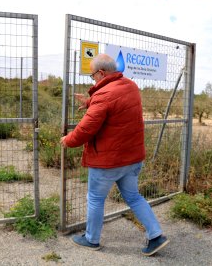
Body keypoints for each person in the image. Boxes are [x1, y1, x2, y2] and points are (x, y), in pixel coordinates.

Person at [60, 53, 169, 256]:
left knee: (95, 198)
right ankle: (156, 236)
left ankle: (91, 239)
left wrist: (68, 140)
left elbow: (85, 129)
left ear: (101, 73)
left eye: (92, 76)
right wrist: (91, 102)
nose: (92, 80)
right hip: (132, 158)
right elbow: (115, 103)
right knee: (134, 197)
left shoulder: (104, 95)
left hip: (109, 162)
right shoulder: (130, 86)